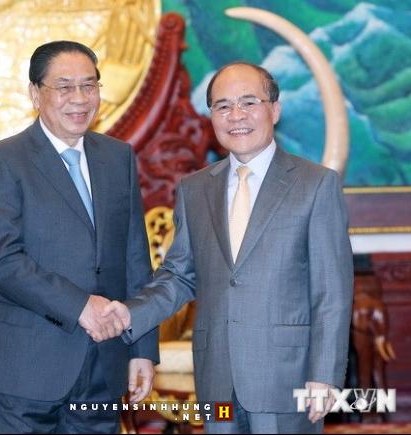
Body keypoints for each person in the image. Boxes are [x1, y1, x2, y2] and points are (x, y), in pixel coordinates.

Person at [102, 62, 354, 434]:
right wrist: (128, 314)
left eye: (249, 102)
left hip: (288, 376)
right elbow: (179, 276)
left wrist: (325, 373)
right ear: (211, 117)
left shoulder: (315, 185)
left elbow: (331, 290)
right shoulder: (195, 188)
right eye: (223, 106)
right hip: (217, 376)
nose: (236, 115)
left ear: (275, 110)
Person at [0, 40, 158, 433]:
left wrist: (142, 348)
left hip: (103, 363)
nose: (80, 98)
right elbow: (2, 259)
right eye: (64, 87)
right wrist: (80, 306)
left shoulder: (118, 157)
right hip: (23, 367)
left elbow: (135, 258)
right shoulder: (2, 160)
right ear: (35, 94)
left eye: (89, 85)